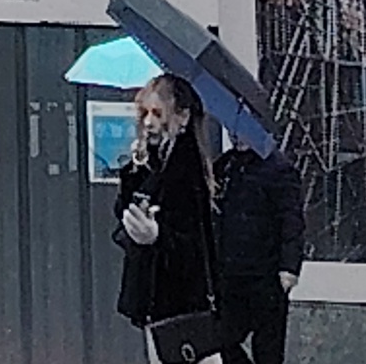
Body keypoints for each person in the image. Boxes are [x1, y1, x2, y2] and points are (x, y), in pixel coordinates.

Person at [112, 74, 215, 352]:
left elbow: (195, 243)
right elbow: (124, 212)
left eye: (158, 114)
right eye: (144, 113)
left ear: (182, 117)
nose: (148, 123)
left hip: (179, 298)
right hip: (154, 295)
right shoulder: (151, 163)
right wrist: (134, 171)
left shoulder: (188, 170)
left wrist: (157, 236)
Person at [214, 128, 305, 364]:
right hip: (231, 274)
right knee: (222, 341)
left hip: (267, 275)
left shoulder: (279, 168)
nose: (236, 136)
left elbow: (291, 219)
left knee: (268, 349)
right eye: (233, 132)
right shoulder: (225, 166)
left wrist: (289, 266)